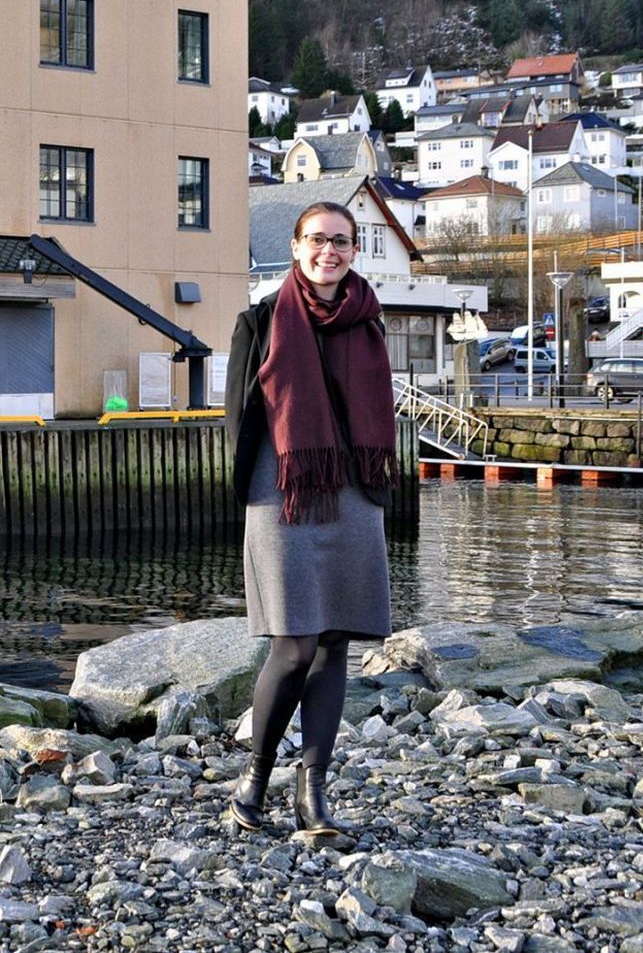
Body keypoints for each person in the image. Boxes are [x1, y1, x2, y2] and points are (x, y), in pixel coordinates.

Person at [224, 200, 395, 836]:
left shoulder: (369, 320)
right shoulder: (261, 319)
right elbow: (237, 421)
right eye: (318, 240)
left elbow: (379, 413)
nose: (330, 252)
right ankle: (256, 778)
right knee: (292, 646)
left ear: (355, 251)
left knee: (334, 643)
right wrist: (245, 499)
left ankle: (313, 793)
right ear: (296, 247)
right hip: (282, 488)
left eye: (342, 242)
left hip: (351, 492)